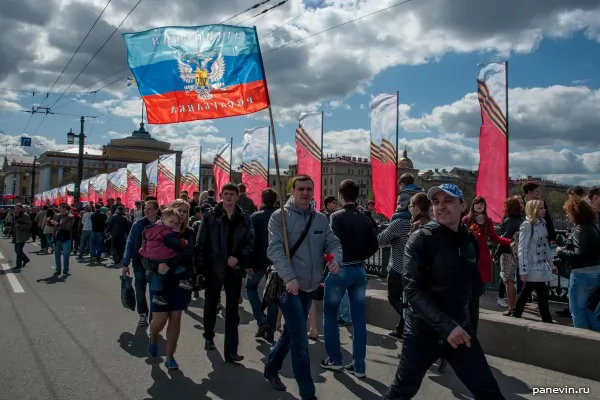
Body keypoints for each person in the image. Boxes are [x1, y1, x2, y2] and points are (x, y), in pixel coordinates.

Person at [384, 184, 505, 400]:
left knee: (489, 392)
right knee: (401, 392)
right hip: (423, 332)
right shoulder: (421, 239)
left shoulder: (469, 239)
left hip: (460, 331)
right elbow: (412, 291)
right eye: (436, 202)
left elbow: (472, 288)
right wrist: (447, 327)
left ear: (463, 205)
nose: (440, 206)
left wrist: (469, 327)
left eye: (448, 201)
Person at [264, 174, 342, 400]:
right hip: (288, 287)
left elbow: (332, 242)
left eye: (309, 189)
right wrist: (289, 278)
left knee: (290, 332)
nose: (305, 193)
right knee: (300, 343)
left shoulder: (319, 218)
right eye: (301, 189)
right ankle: (309, 395)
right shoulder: (280, 217)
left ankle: (271, 367)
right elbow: (275, 250)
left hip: (309, 286)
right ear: (292, 191)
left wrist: (335, 259)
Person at [321, 179, 378, 378]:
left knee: (329, 315)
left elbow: (331, 244)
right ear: (357, 195)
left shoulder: (336, 216)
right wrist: (360, 256)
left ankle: (335, 360)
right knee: (359, 320)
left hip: (340, 270)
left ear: (340, 195)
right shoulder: (364, 217)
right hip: (360, 271)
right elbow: (375, 244)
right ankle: (359, 365)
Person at [197, 183, 255, 363]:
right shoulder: (210, 216)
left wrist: (238, 258)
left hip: (233, 270)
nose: (229, 197)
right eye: (226, 194)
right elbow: (201, 243)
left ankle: (231, 350)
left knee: (232, 310)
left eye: (232, 194)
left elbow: (249, 242)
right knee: (211, 305)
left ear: (237, 196)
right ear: (221, 195)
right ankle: (208, 336)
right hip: (213, 268)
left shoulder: (244, 218)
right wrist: (200, 270)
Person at [144, 199, 195, 370]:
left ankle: (170, 356)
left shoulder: (189, 233)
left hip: (180, 281)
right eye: (179, 210)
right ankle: (153, 336)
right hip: (160, 280)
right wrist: (157, 266)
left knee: (175, 317)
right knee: (160, 319)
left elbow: (189, 254)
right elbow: (146, 255)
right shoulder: (157, 230)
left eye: (185, 211)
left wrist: (171, 264)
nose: (181, 214)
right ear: (171, 212)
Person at [556, 198, 600, 331]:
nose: (567, 215)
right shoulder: (593, 227)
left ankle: (581, 339)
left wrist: (561, 252)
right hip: (596, 271)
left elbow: (579, 253)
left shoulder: (580, 229)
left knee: (576, 309)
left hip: (582, 274)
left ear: (575, 213)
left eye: (568, 212)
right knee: (584, 307)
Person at [512, 200, 556, 323]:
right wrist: (524, 270)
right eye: (541, 208)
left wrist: (551, 264)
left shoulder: (543, 223)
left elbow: (545, 247)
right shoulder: (527, 225)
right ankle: (547, 320)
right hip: (532, 266)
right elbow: (522, 248)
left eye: (543, 208)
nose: (544, 210)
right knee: (539, 293)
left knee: (528, 292)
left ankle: (517, 315)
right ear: (534, 210)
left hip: (540, 265)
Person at [140, 207, 193, 306]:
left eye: (184, 211)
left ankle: (157, 294)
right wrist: (183, 242)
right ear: (164, 218)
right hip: (161, 257)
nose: (173, 224)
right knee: (176, 267)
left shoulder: (151, 228)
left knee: (160, 275)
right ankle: (182, 280)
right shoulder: (166, 230)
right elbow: (174, 243)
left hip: (153, 257)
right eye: (171, 221)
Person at [247, 188, 279, 342]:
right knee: (273, 295)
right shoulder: (281, 216)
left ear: (262, 199)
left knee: (250, 288)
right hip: (276, 261)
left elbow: (250, 240)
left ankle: (261, 319)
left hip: (258, 260)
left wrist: (248, 262)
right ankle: (270, 331)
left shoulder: (255, 216)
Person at [122, 200, 160, 327]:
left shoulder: (162, 224)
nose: (146, 211)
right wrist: (125, 263)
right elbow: (130, 243)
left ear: (156, 210)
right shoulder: (138, 225)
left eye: (150, 209)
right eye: (145, 209)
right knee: (140, 289)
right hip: (139, 263)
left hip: (156, 264)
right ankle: (142, 313)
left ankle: (153, 317)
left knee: (154, 291)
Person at [51, 203, 75, 276]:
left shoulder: (70, 216)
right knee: (57, 254)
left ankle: (66, 270)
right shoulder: (58, 216)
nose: (59, 209)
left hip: (66, 237)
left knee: (66, 254)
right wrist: (53, 233)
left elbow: (68, 226)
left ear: (64, 208)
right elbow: (54, 226)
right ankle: (58, 270)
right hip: (58, 236)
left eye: (60, 208)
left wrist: (57, 224)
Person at [12, 203, 31, 270]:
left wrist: (19, 226)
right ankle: (19, 264)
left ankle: (24, 260)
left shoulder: (25, 215)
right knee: (17, 250)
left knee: (18, 250)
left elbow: (28, 225)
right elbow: (14, 223)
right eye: (15, 208)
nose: (16, 209)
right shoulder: (16, 215)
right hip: (16, 235)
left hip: (22, 235)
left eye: (17, 208)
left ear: (21, 208)